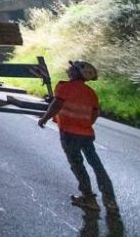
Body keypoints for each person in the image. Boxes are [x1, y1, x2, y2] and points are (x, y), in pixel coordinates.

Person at [38, 60, 118, 214]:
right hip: (86, 135)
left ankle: (88, 198)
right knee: (97, 166)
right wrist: (84, 125)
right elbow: (94, 115)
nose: (69, 70)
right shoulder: (91, 93)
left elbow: (56, 105)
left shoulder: (65, 87)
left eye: (72, 68)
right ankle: (110, 200)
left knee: (77, 165)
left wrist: (44, 118)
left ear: (77, 73)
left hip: (69, 134)